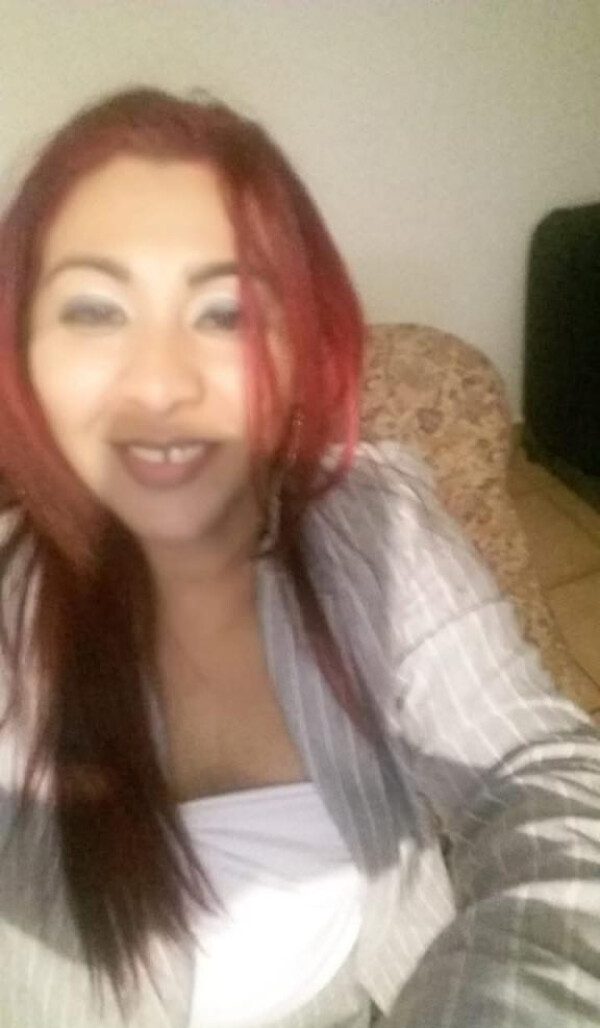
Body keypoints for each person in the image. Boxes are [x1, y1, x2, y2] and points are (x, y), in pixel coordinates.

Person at [0, 86, 599, 1028]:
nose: (160, 382)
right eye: (95, 309)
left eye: (226, 312)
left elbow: (535, 768)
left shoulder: (378, 523)